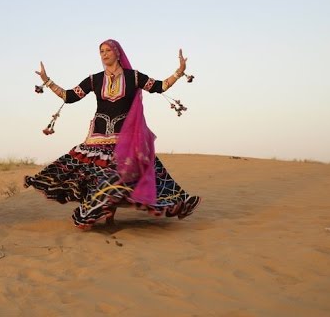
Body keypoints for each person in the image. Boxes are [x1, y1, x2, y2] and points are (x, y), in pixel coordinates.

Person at [24, 39, 201, 230]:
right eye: (101, 51)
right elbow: (69, 96)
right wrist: (47, 80)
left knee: (133, 173)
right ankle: (104, 213)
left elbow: (160, 87)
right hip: (97, 139)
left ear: (118, 53)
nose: (104, 54)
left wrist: (179, 71)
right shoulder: (94, 79)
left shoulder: (133, 77)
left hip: (126, 138)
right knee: (96, 175)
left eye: (108, 50)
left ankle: (114, 210)